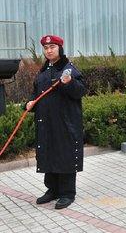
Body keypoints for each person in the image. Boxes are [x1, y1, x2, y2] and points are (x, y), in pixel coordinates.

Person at [26, 35, 86, 209]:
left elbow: (80, 92)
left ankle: (67, 193)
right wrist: (29, 103)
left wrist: (70, 82)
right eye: (46, 48)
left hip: (65, 124)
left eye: (52, 46)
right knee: (48, 154)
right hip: (46, 123)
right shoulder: (43, 72)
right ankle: (52, 190)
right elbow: (36, 94)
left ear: (60, 48)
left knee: (64, 155)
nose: (49, 50)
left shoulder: (70, 70)